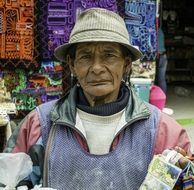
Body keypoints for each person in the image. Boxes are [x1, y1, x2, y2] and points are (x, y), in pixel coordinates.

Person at [3, 8, 192, 189]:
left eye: (109, 56)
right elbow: (8, 179)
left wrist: (186, 177)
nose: (97, 68)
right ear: (72, 65)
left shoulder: (163, 131)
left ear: (126, 64)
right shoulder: (39, 125)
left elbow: (186, 179)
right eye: (85, 57)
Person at [155, 27, 168, 94]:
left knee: (155, 79)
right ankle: (163, 98)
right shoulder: (160, 30)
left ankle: (157, 97)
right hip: (163, 56)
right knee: (162, 79)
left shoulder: (153, 30)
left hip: (158, 56)